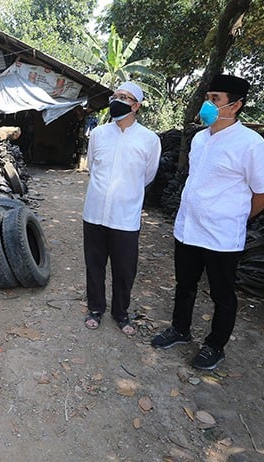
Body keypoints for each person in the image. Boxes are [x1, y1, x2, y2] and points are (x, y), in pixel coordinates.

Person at [151, 74, 264, 370]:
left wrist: (238, 217)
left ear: (235, 106)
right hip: (188, 228)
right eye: (208, 97)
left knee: (222, 293)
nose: (208, 104)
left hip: (221, 235)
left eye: (215, 99)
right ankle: (180, 329)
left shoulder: (251, 145)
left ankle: (214, 346)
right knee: (185, 284)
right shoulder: (199, 138)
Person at [82, 82, 161, 334]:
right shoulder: (99, 134)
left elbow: (148, 175)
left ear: (136, 106)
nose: (117, 100)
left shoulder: (149, 139)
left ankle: (121, 312)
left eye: (124, 97)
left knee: (124, 268)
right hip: (94, 213)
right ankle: (95, 308)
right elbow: (92, 167)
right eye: (115, 96)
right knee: (94, 264)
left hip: (125, 217)